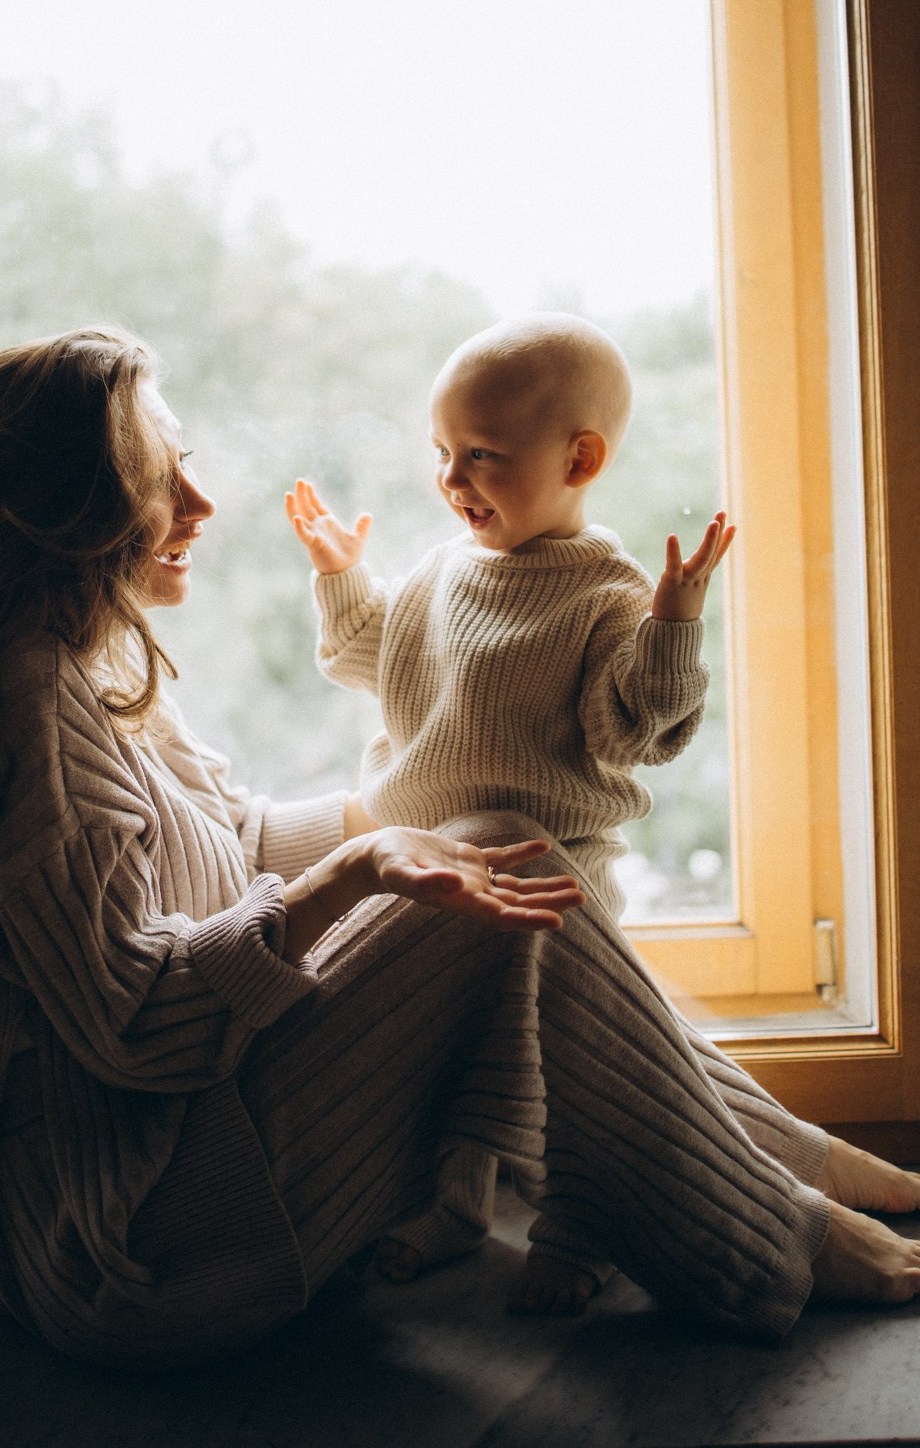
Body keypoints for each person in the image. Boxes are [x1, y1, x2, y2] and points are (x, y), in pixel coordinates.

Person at [0, 327, 920, 1371]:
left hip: (84, 1212)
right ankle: (771, 1220)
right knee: (506, 859)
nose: (200, 501)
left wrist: (398, 825)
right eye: (159, 480)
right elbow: (137, 1022)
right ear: (69, 511)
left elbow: (227, 843)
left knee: (487, 843)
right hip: (124, 1248)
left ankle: (783, 1164)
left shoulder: (73, 665)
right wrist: (362, 869)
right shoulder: (25, 703)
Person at [284, 312, 734, 1300]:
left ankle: (580, 1233)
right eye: (440, 453)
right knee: (447, 1059)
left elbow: (634, 733)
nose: (450, 479)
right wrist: (339, 579)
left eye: (480, 456)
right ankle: (449, 1212)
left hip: (556, 866)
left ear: (578, 459)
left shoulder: (601, 591)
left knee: (571, 1071)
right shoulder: (439, 572)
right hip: (428, 860)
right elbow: (373, 662)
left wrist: (671, 624)